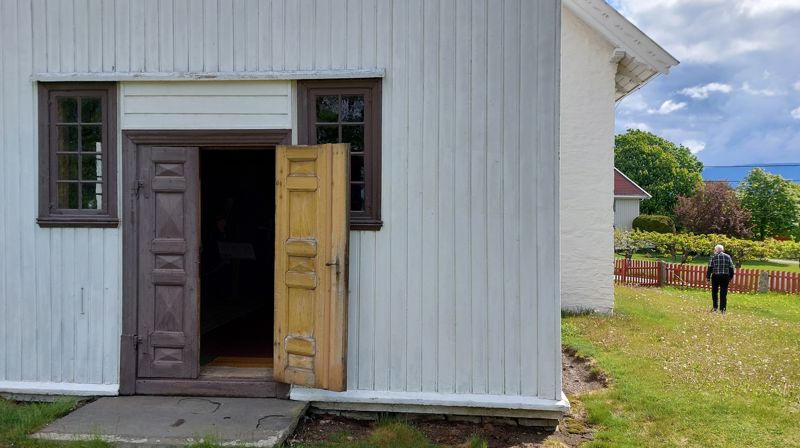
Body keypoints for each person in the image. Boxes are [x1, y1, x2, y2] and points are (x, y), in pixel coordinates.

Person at [706, 244, 735, 314]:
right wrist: (731, 277)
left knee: (714, 292)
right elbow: (731, 267)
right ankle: (723, 310)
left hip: (715, 276)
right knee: (723, 293)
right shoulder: (728, 256)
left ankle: (715, 308)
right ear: (722, 249)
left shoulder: (713, 256)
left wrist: (708, 278)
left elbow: (710, 268)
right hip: (725, 276)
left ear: (716, 250)